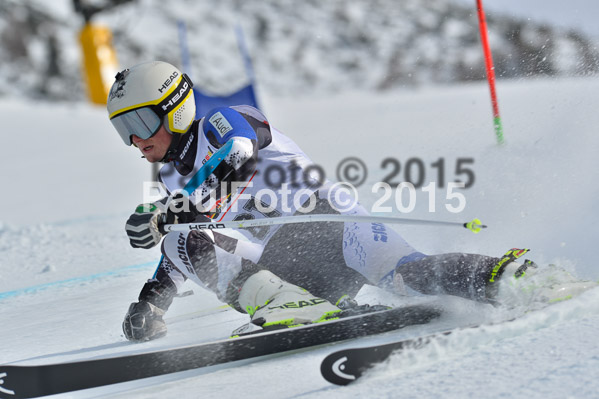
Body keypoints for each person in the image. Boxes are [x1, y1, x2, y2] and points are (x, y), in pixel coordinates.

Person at [107, 61, 596, 342]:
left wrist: (181, 208)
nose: (135, 141)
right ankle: (289, 304)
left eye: (141, 125)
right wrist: (150, 303)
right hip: (282, 269)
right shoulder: (170, 176)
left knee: (410, 277)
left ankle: (519, 279)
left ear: (177, 107)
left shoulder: (225, 119)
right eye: (123, 131)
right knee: (178, 239)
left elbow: (238, 156)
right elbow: (183, 248)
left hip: (334, 228)